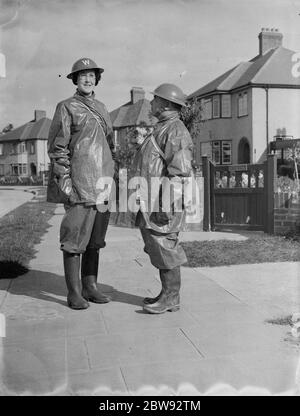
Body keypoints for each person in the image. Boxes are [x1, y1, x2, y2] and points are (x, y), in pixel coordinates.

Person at [47, 58, 115, 310]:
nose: (88, 79)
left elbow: (109, 145)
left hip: (104, 184)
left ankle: (90, 287)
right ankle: (74, 292)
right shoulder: (66, 107)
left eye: (92, 75)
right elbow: (58, 149)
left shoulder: (103, 107)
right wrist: (66, 184)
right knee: (74, 240)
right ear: (75, 79)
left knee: (95, 241)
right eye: (82, 75)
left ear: (97, 79)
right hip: (80, 184)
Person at [131, 83, 194, 314]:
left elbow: (179, 174)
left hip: (164, 204)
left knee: (166, 249)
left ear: (166, 104)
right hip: (154, 202)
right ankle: (167, 294)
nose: (151, 103)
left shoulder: (175, 131)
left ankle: (171, 297)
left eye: (155, 99)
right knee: (159, 249)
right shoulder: (164, 128)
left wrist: (167, 205)